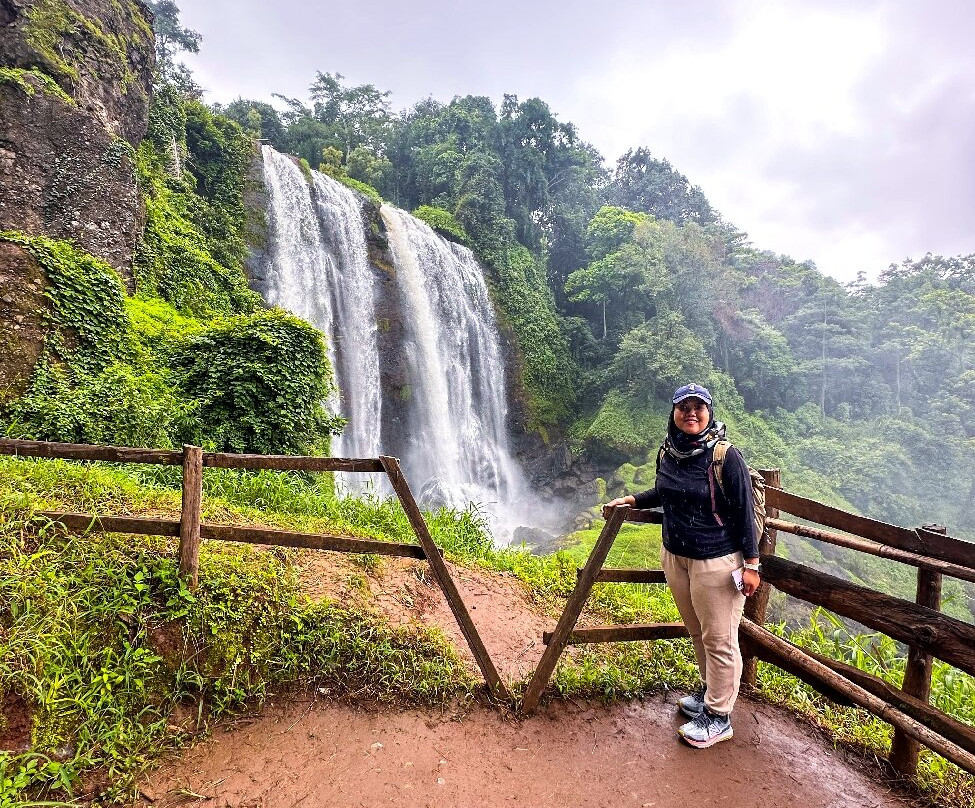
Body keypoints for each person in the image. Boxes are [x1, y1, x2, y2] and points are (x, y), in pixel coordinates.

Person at [603, 382, 760, 749]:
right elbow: (663, 491)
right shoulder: (670, 452)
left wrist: (752, 565)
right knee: (697, 631)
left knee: (720, 638)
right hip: (676, 557)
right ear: (674, 413)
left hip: (716, 563)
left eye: (698, 407)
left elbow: (743, 513)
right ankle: (709, 696)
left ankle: (719, 717)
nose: (691, 413)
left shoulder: (726, 456)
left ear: (709, 413)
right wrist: (631, 498)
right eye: (683, 407)